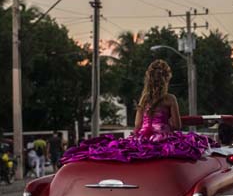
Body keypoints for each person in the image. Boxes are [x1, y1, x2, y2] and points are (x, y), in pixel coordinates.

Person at [62, 60, 215, 164]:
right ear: (166, 79)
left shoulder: (144, 99)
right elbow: (176, 125)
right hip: (162, 138)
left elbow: (137, 126)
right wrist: (165, 124)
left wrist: (139, 135)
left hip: (142, 138)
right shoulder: (170, 99)